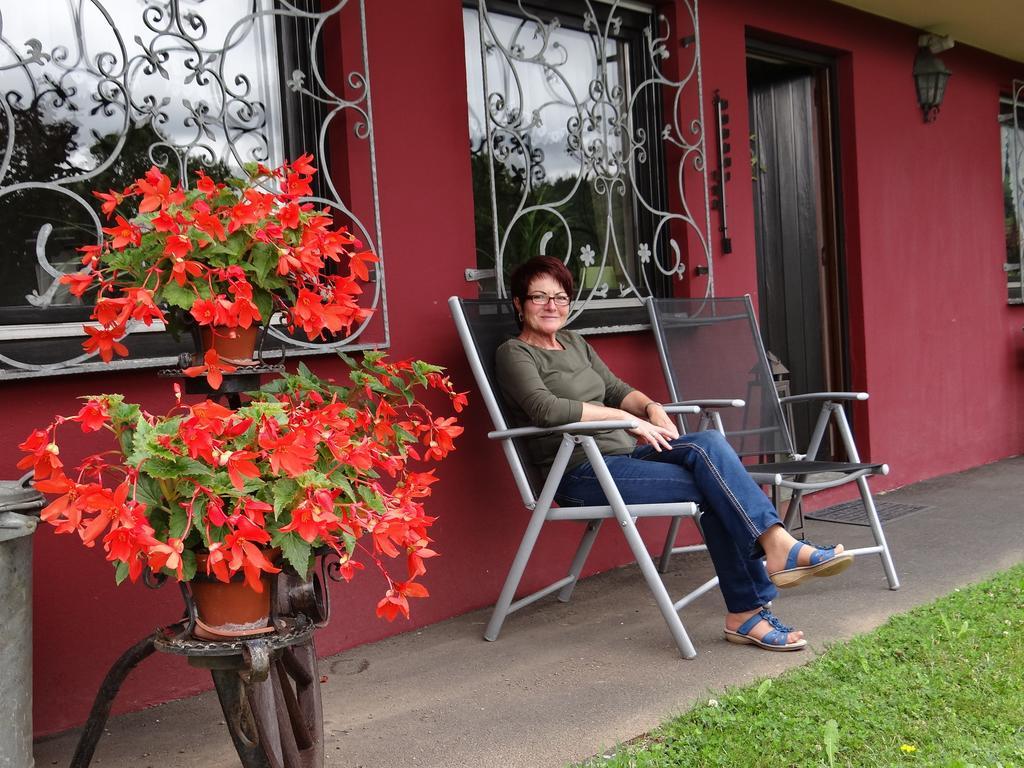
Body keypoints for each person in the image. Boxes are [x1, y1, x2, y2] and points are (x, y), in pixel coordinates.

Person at [495, 256, 852, 651]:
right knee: (717, 489)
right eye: (539, 297)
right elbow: (545, 408)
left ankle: (772, 557)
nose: (551, 306)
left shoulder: (575, 342)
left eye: (560, 297)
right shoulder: (514, 353)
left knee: (710, 445)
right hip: (579, 472)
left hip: (625, 458)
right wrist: (624, 419)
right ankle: (755, 597)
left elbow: (616, 388)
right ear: (518, 303)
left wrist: (650, 408)